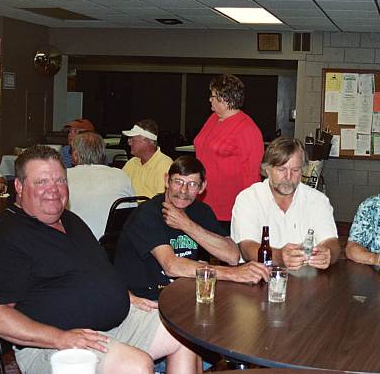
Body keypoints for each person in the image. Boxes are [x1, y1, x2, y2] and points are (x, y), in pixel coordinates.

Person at [0, 145, 197, 374]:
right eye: (42, 182)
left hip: (112, 325)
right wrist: (61, 338)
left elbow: (93, 270)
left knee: (184, 331)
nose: (54, 190)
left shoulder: (70, 220)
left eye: (60, 181)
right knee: (136, 366)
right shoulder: (7, 235)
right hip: (50, 344)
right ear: (19, 186)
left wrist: (126, 296)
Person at [115, 155, 269, 300]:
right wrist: (232, 274)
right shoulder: (147, 213)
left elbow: (232, 256)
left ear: (202, 187)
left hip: (183, 293)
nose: (183, 191)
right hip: (145, 299)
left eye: (192, 184)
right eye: (178, 182)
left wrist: (187, 225)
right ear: (166, 181)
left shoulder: (201, 211)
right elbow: (171, 266)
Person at [231, 137, 340, 270]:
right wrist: (279, 257)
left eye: (295, 170)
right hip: (260, 278)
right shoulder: (248, 199)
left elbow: (332, 242)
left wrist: (328, 254)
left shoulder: (318, 200)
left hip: (307, 281)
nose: (288, 177)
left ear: (303, 170)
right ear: (267, 169)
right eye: (281, 170)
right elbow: (247, 248)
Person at [194, 74, 264, 232]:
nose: (209, 100)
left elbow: (252, 174)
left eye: (212, 96)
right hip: (203, 201)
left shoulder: (247, 128)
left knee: (227, 255)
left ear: (224, 99)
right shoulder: (213, 118)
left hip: (228, 209)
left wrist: (251, 211)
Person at [67, 131, 135, 240]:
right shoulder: (121, 175)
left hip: (76, 246)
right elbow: (132, 214)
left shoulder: (63, 177)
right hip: (113, 245)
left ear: (75, 155)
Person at [122, 119, 173, 198]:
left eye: (132, 139)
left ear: (147, 141)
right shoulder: (131, 163)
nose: (129, 142)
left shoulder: (165, 165)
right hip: (129, 208)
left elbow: (161, 201)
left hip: (150, 209)